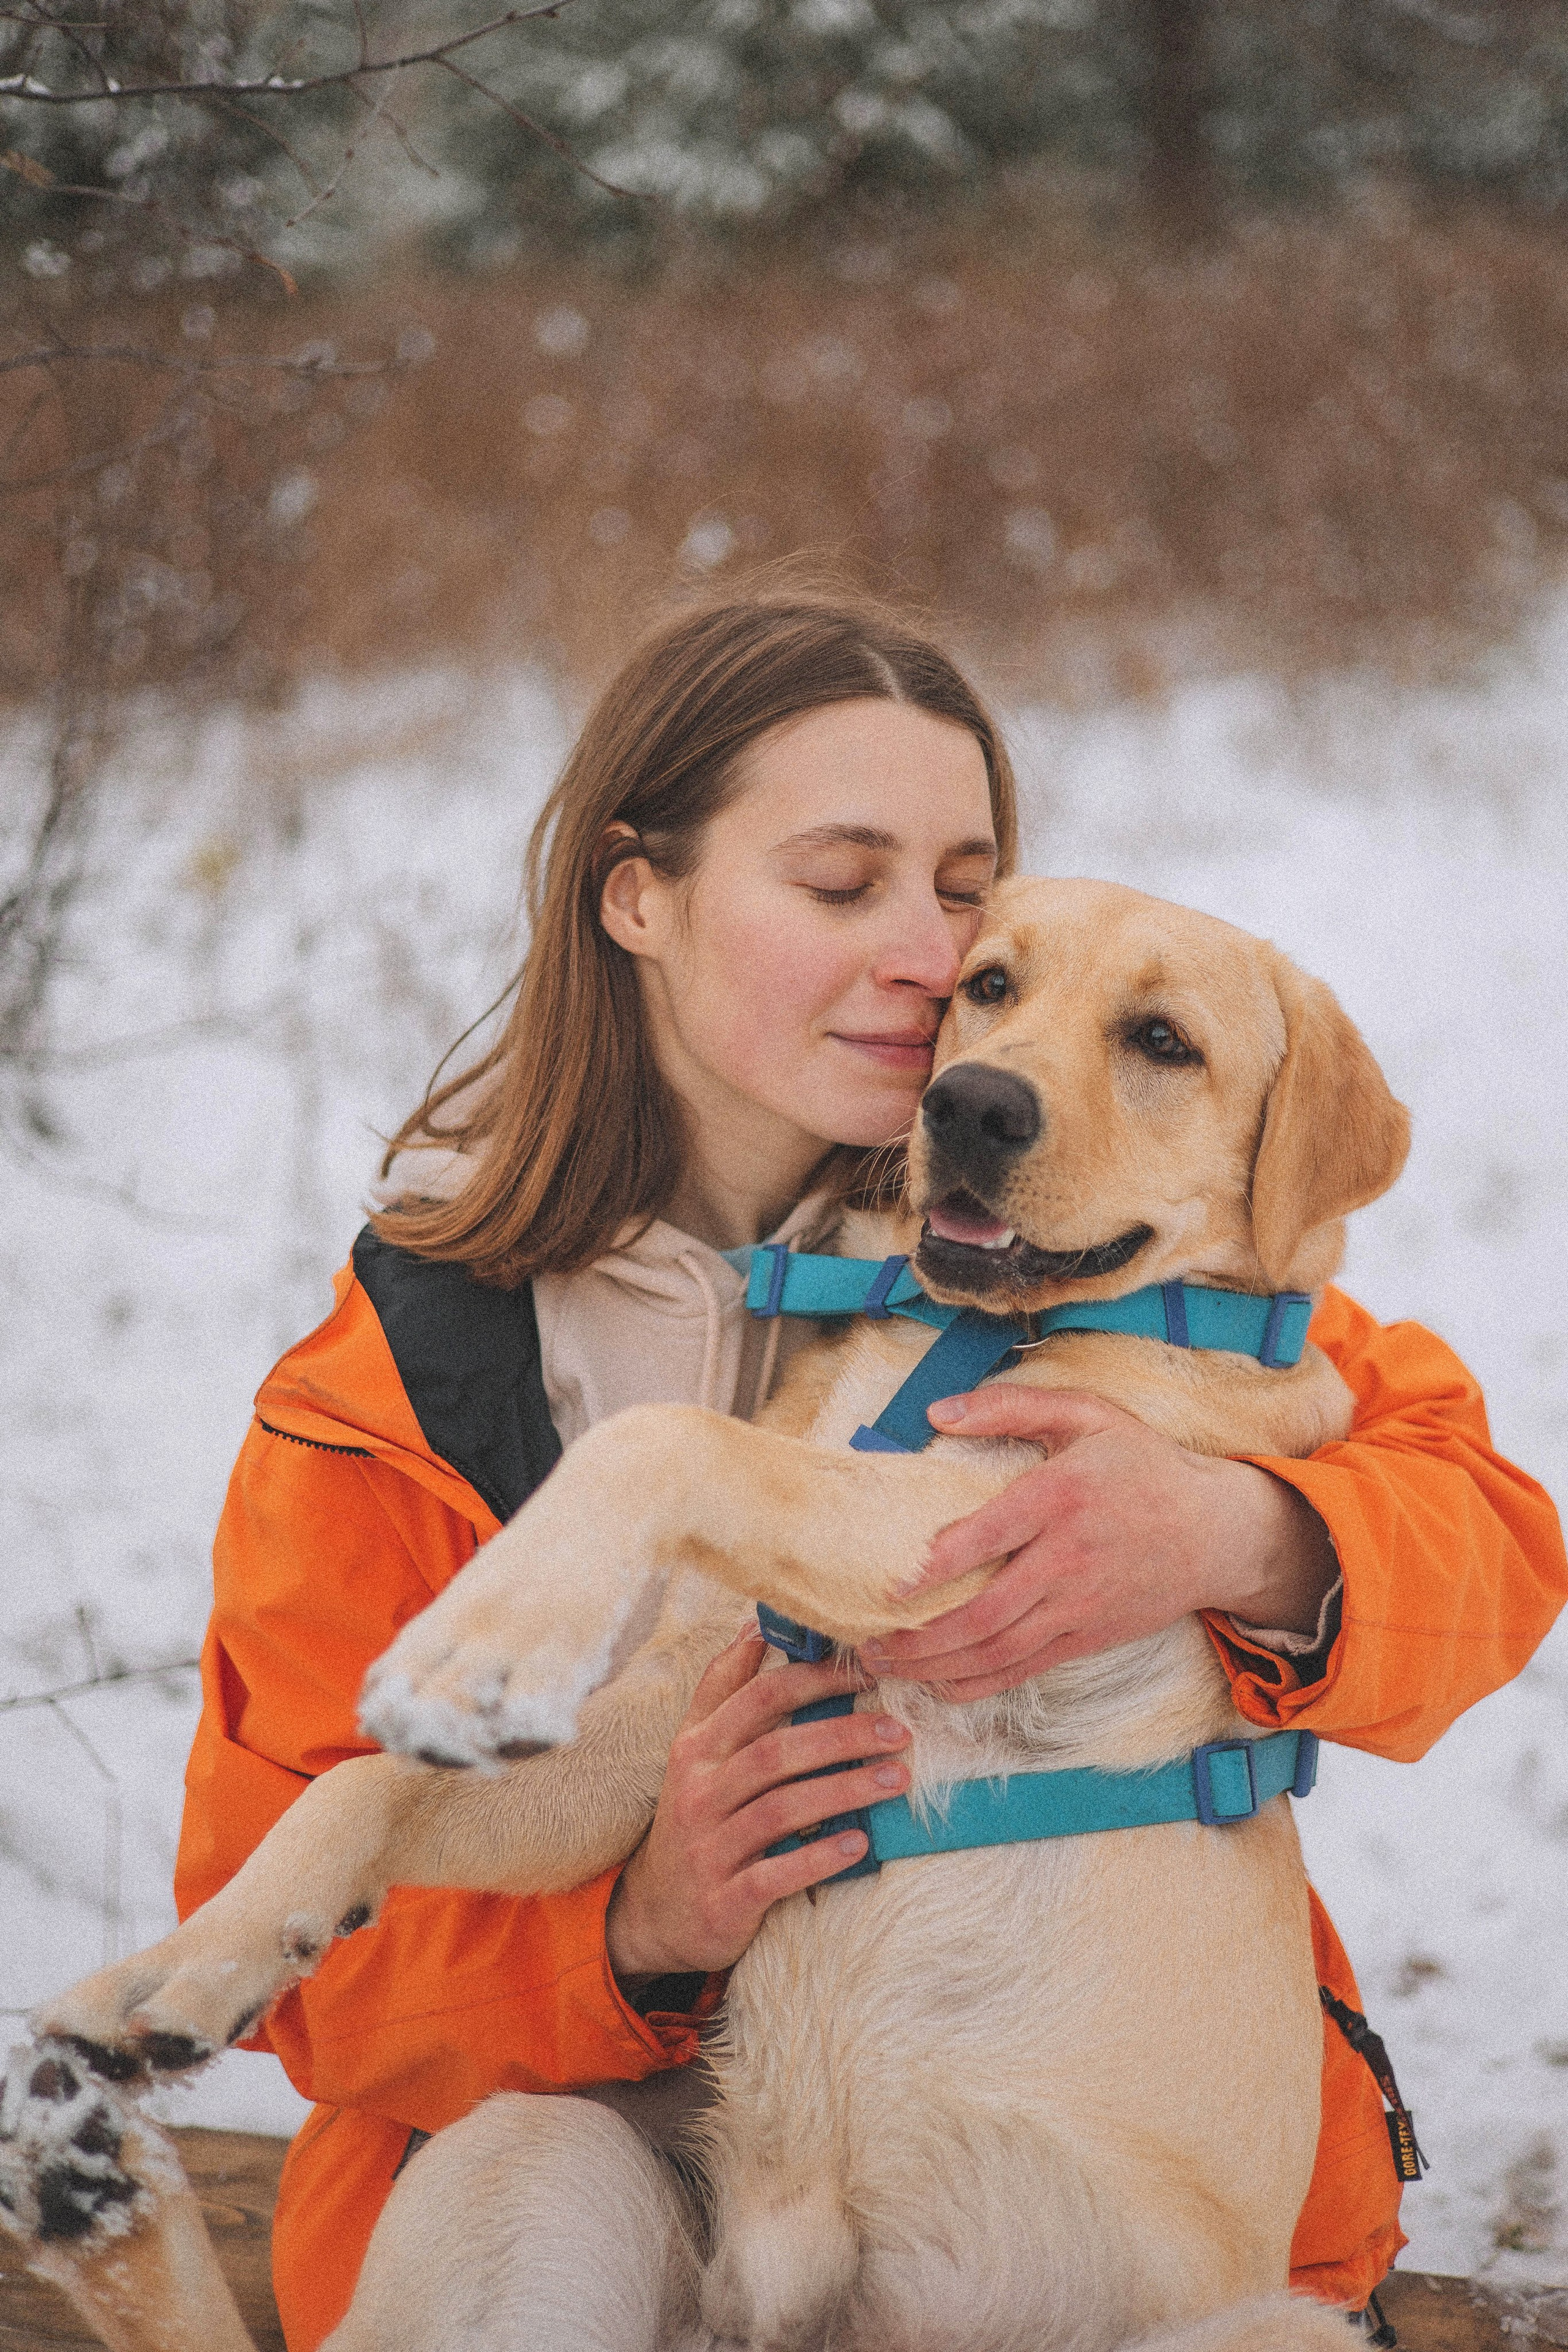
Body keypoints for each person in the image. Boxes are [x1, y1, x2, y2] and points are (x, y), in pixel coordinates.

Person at [175, 593, 1567, 2351]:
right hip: (614, 2209)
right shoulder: (387, 1390)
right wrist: (632, 1932)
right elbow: (293, 1977)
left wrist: (1247, 1533)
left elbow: (1493, 1535)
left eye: (964, 895)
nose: (925, 956)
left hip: (1082, 2225)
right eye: (843, 885)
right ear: (638, 897)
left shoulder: (1093, 1247)